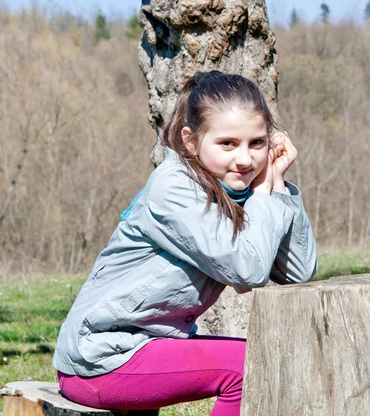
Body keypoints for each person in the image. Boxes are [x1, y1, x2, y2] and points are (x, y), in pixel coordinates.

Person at [52, 71, 317, 416]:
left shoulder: (238, 190)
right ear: (190, 141)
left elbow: (297, 272)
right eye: (227, 143)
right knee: (249, 367)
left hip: (146, 346)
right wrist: (266, 193)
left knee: (257, 359)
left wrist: (277, 185)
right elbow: (248, 269)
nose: (244, 159)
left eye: (257, 143)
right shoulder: (174, 188)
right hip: (102, 356)